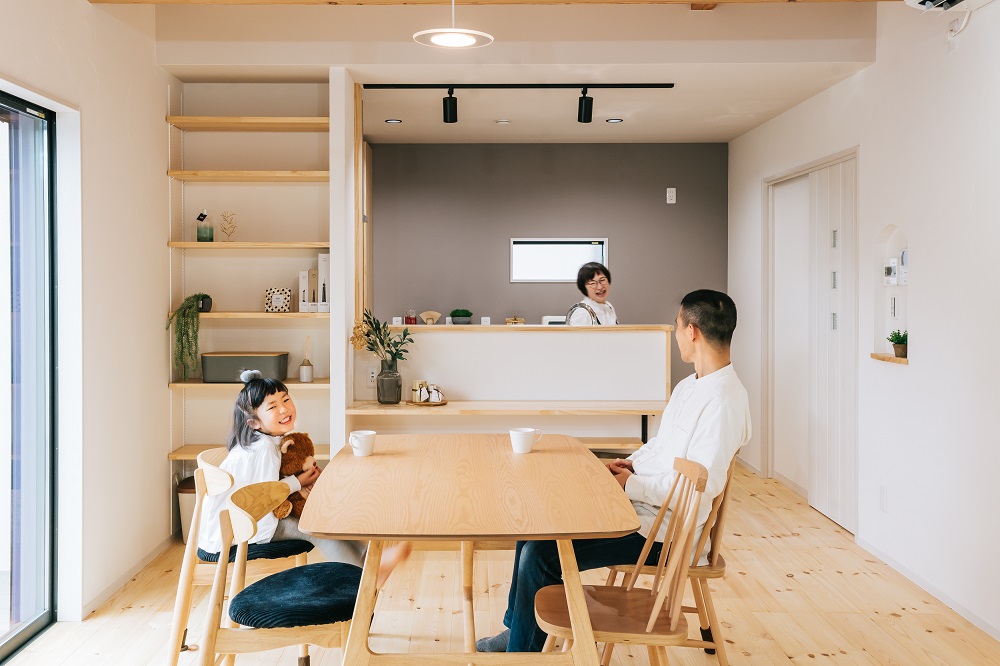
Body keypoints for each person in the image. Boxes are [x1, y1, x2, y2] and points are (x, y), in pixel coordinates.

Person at [477, 289, 751, 653]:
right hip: (642, 511)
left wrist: (631, 486)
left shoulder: (724, 402)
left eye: (677, 325)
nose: (675, 332)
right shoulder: (690, 386)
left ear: (692, 332)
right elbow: (660, 447)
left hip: (664, 534)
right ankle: (518, 632)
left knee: (540, 554)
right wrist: (632, 464)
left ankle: (523, 655)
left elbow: (696, 493)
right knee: (534, 530)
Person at [197, 370, 411, 586]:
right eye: (272, 407)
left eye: (286, 399)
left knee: (323, 514)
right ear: (254, 423)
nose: (284, 409)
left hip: (239, 521)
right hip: (242, 529)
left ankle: (367, 559)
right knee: (315, 526)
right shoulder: (263, 449)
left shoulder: (263, 442)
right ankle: (362, 577)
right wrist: (298, 482)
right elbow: (265, 493)